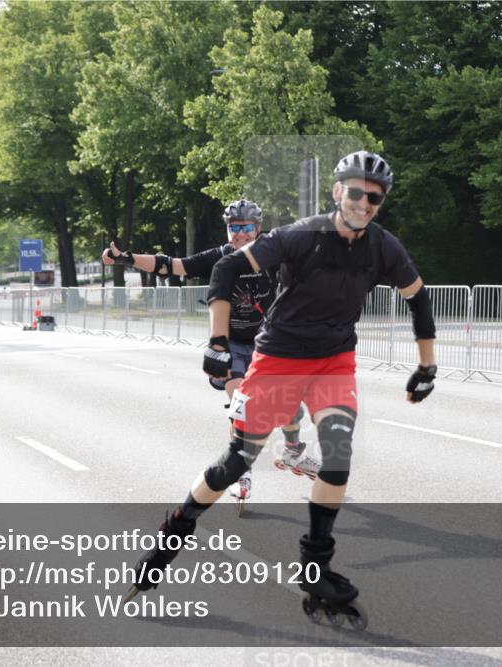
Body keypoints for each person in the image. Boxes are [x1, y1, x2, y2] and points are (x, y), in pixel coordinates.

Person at [128, 151, 438, 627]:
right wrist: (216, 341)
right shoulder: (301, 235)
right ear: (338, 192)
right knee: (236, 463)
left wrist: (426, 367)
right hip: (277, 360)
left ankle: (315, 567)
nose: (363, 202)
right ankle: (175, 530)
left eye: (373, 196)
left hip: (334, 361)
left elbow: (418, 299)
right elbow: (226, 271)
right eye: (354, 192)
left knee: (337, 457)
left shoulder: (383, 246)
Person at [102, 200, 320, 502]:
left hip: (268, 343)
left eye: (246, 228)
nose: (240, 234)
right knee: (243, 404)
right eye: (234, 227)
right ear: (227, 228)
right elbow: (172, 265)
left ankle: (293, 451)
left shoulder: (273, 255)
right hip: (230, 344)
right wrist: (127, 258)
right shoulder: (220, 257)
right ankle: (239, 469)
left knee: (290, 406)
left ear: (257, 229)